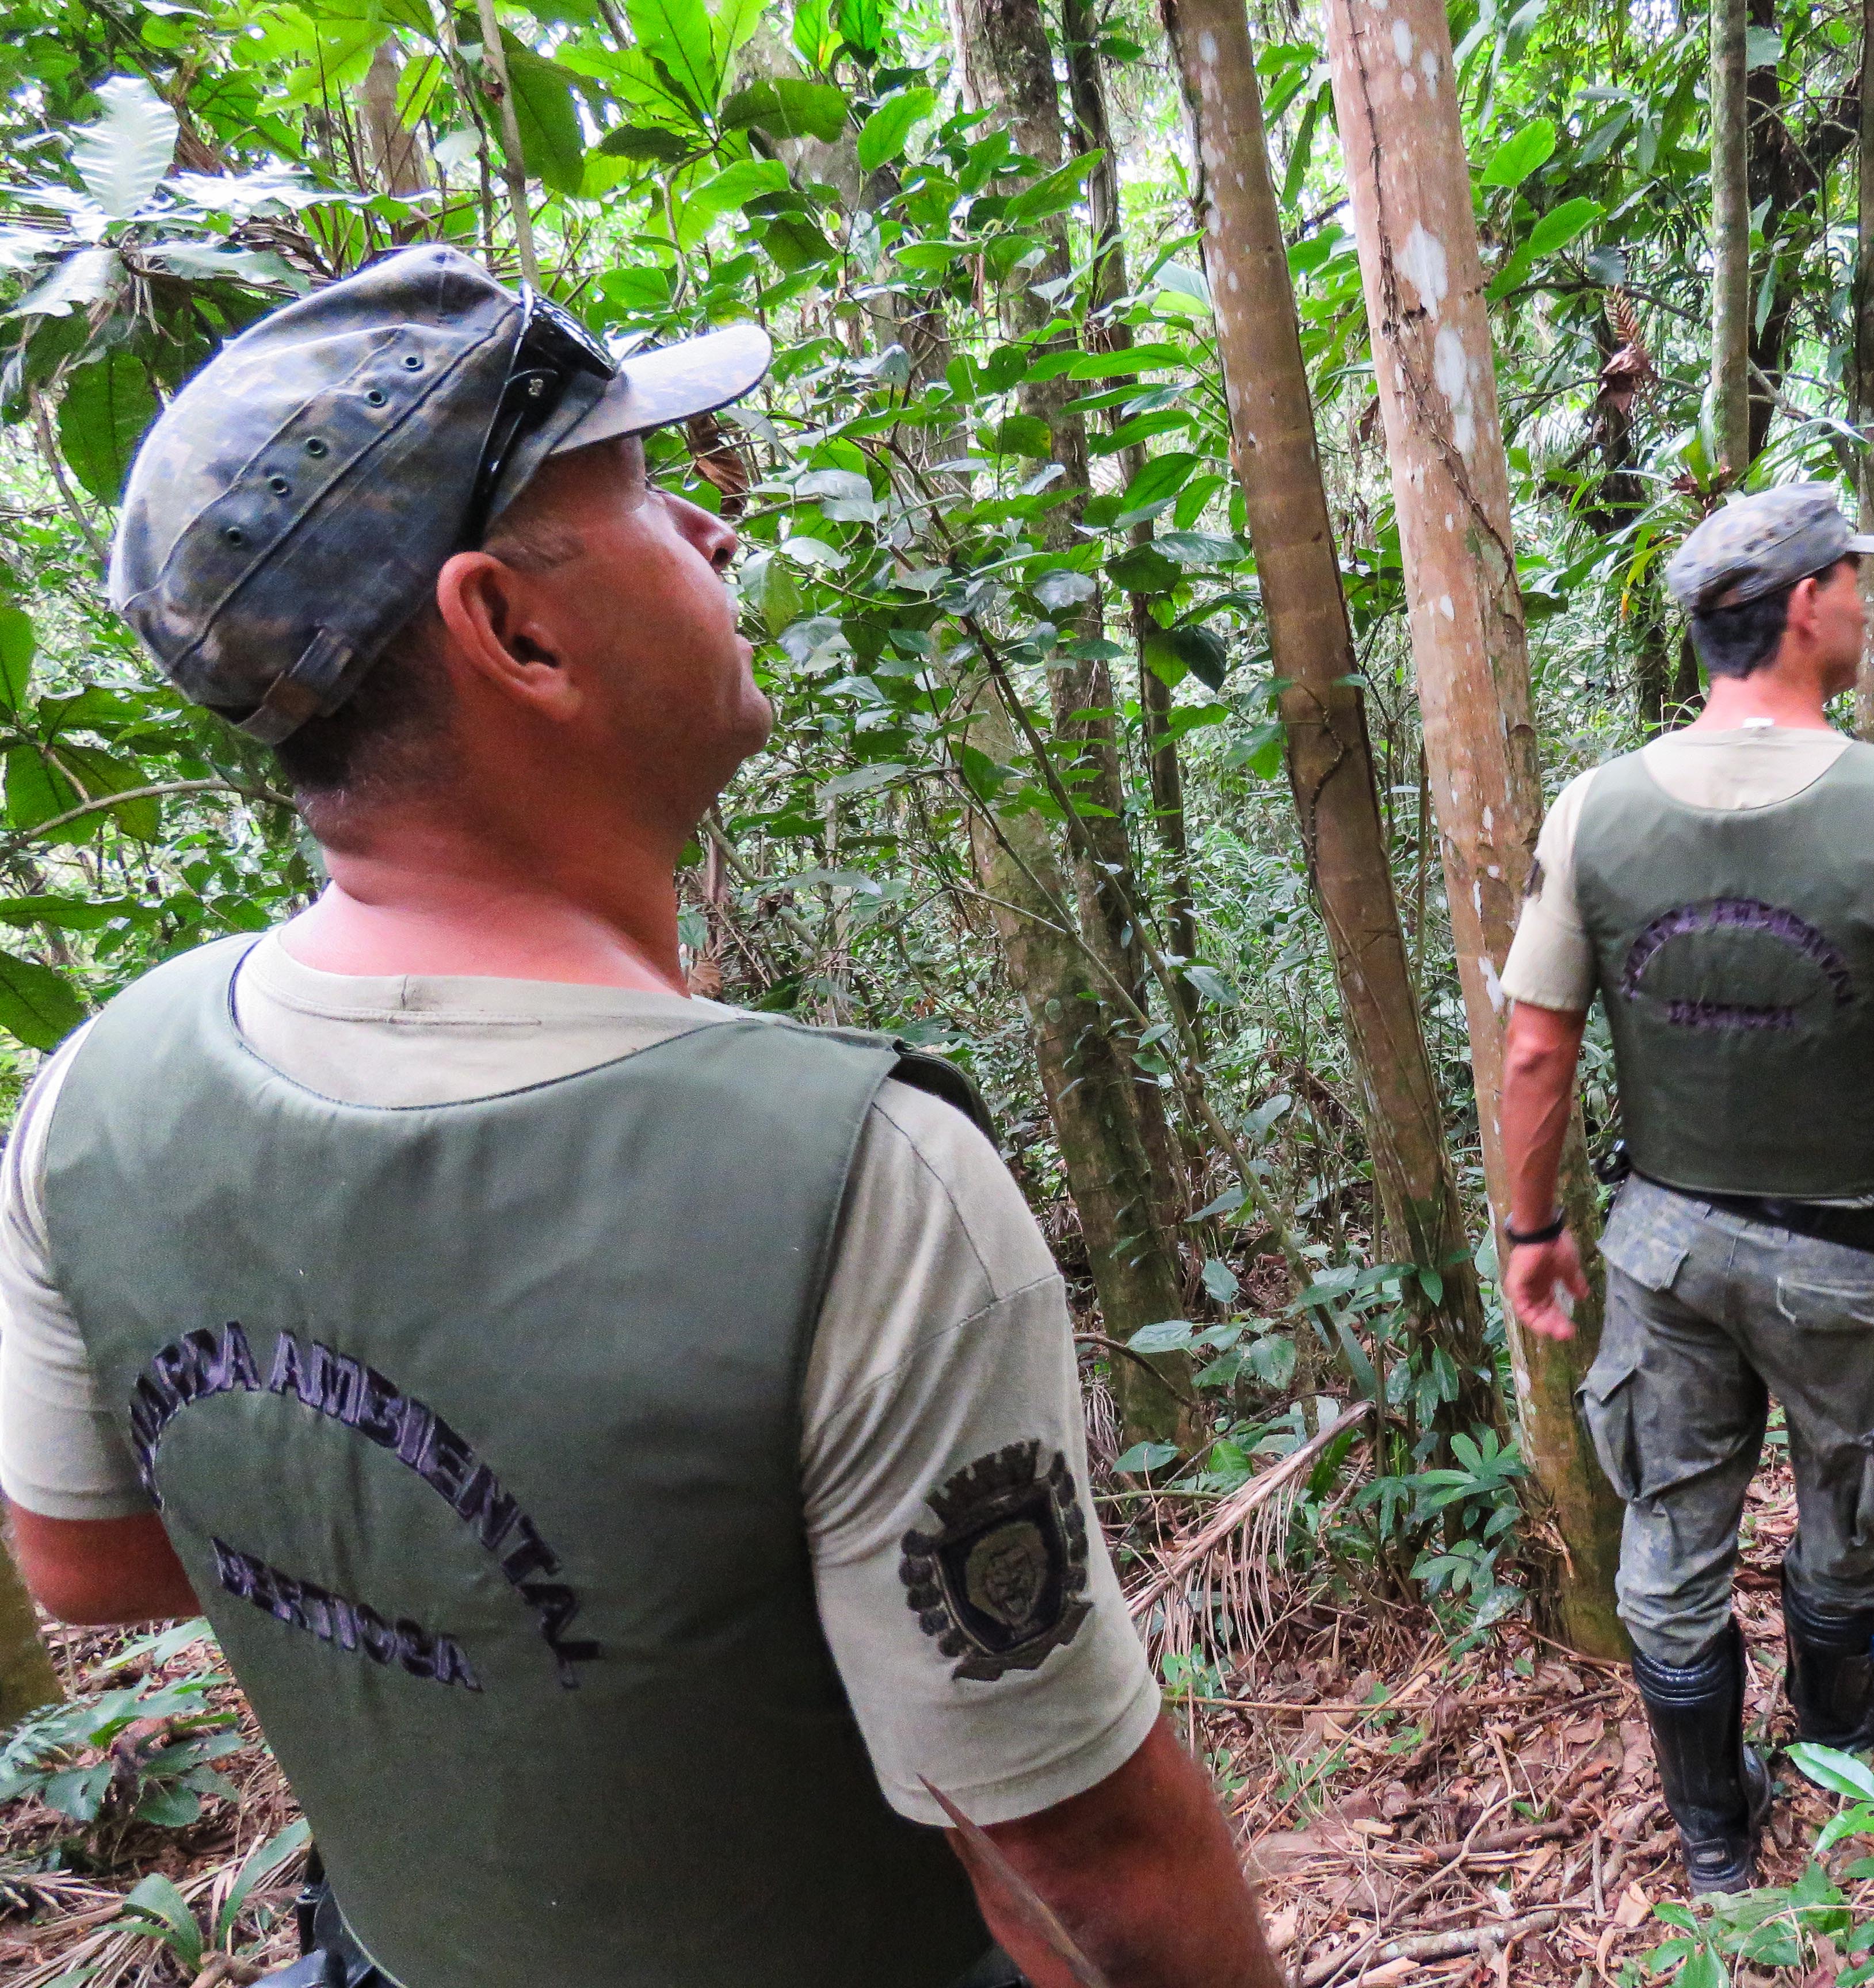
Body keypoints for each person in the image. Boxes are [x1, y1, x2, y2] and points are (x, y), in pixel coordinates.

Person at [0, 248, 1276, 1988]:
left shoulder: (99, 1091)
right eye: (648, 495)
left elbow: (87, 1558)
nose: (718, 536)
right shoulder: (853, 1188)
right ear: (509, 627)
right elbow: (1079, 1861)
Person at [1495, 484, 1874, 1896]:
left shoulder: (1596, 808)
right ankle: (1837, 1708)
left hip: (1663, 1239)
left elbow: (1536, 1045)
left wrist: (1534, 1227)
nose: (1862, 600)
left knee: (1671, 1522)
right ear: (1799, 604)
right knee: (1855, 1493)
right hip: (1846, 1252)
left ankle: (1716, 1829)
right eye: (1851, 579)